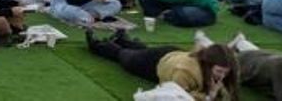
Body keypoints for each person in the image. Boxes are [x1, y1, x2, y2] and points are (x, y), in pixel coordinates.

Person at [86, 36, 239, 101]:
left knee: (141, 51)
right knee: (125, 57)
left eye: (226, 72)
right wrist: (209, 95)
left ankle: (122, 38)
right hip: (157, 63)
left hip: (172, 55)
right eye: (220, 71)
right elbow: (176, 96)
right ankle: (97, 44)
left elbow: (228, 95)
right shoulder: (185, 73)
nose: (223, 76)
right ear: (208, 64)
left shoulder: (225, 68)